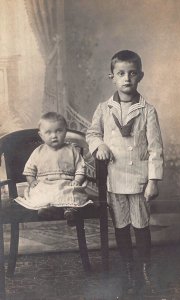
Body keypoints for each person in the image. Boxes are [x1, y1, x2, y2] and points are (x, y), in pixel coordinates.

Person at [86, 50, 164, 293]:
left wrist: (153, 180)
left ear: (140, 76)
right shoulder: (104, 108)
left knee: (141, 226)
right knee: (120, 226)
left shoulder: (147, 110)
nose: (126, 78)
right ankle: (128, 268)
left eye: (132, 73)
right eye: (121, 73)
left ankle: (144, 268)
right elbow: (92, 133)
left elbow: (155, 149)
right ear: (112, 77)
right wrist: (99, 145)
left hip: (139, 180)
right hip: (115, 178)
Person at [15, 112, 92, 226]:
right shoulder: (38, 151)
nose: (54, 135)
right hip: (45, 183)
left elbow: (80, 167)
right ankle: (48, 210)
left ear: (65, 132)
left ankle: (70, 211)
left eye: (58, 131)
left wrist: (77, 180)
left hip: (67, 182)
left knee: (71, 192)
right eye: (48, 132)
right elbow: (30, 170)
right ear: (41, 135)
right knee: (41, 193)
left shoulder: (71, 150)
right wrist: (32, 182)